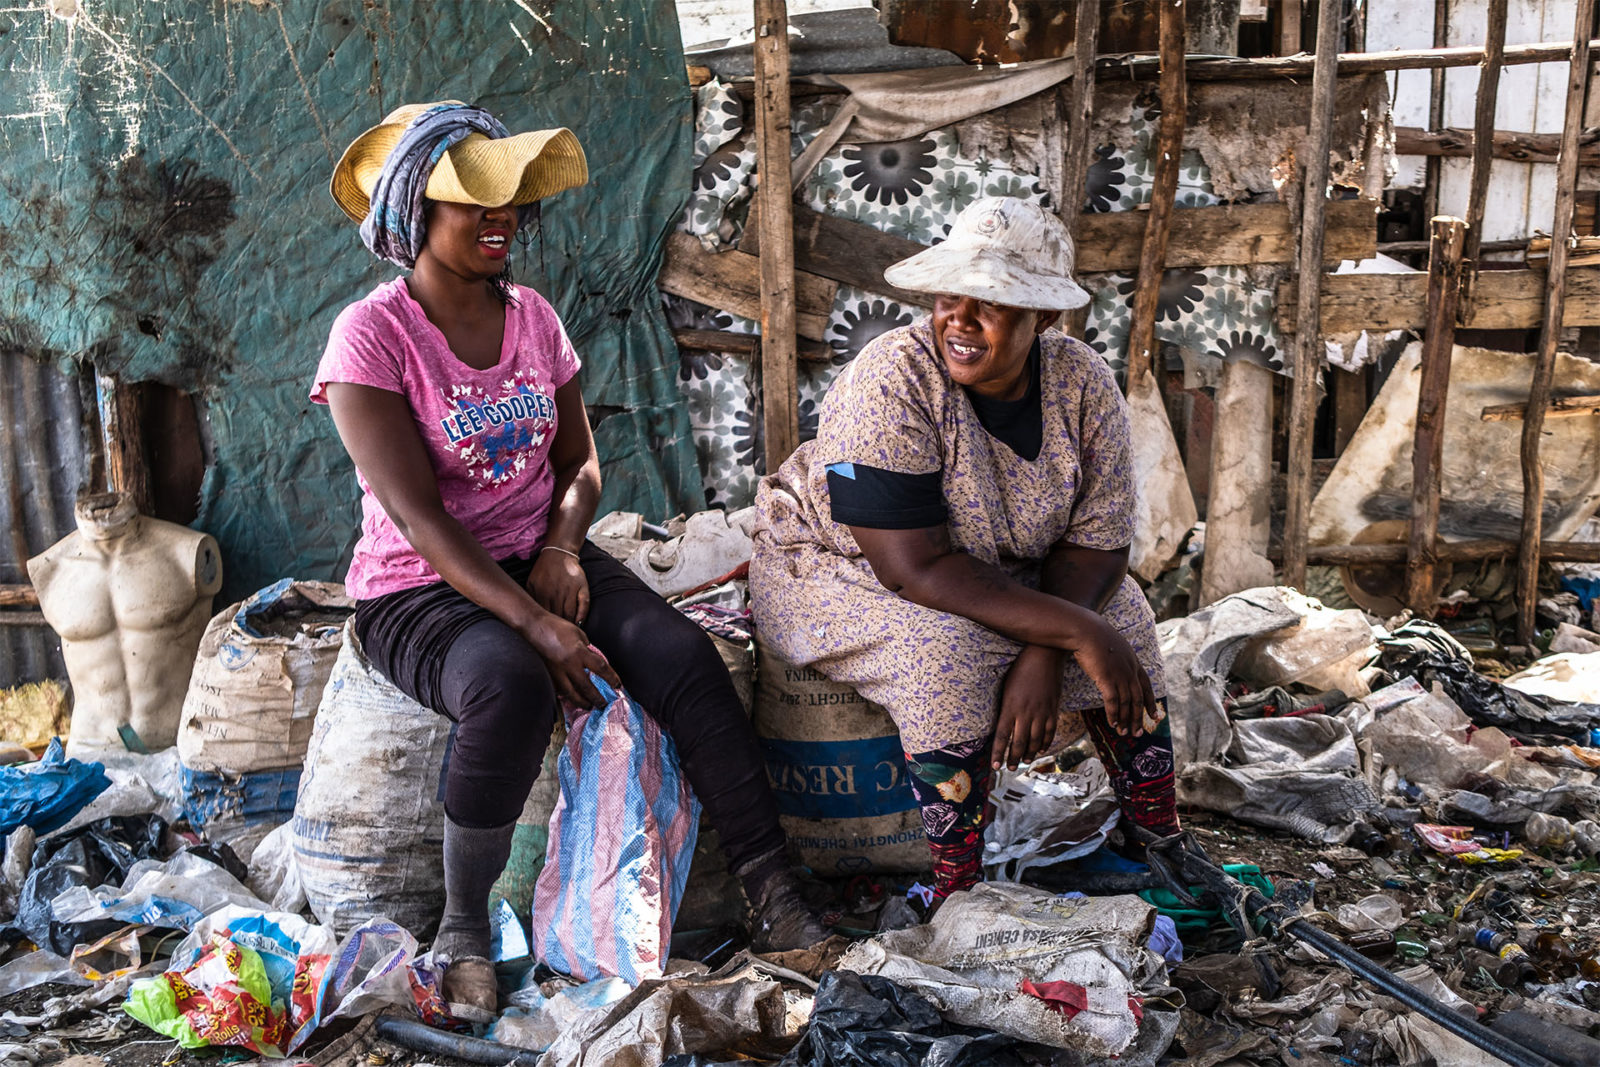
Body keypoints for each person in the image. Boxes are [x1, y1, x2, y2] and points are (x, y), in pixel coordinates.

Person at [313, 101, 825, 1022]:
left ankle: (775, 893)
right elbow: (419, 517)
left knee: (681, 658)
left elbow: (579, 464)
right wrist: (534, 622)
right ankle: (464, 931)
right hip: (419, 588)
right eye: (472, 202)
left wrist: (559, 550)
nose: (498, 217)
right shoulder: (372, 338)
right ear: (410, 212)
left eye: (507, 199)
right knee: (507, 683)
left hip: (539, 554)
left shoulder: (536, 319)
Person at [749, 196, 1178, 908]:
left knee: (1127, 613)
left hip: (991, 571)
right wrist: (1074, 629)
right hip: (836, 564)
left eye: (993, 302)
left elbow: (1098, 543)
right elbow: (910, 567)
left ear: (1044, 316)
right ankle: (959, 888)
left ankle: (1160, 837)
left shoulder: (1082, 382)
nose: (961, 319)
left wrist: (1048, 650)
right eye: (952, 296)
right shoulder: (891, 379)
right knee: (944, 653)